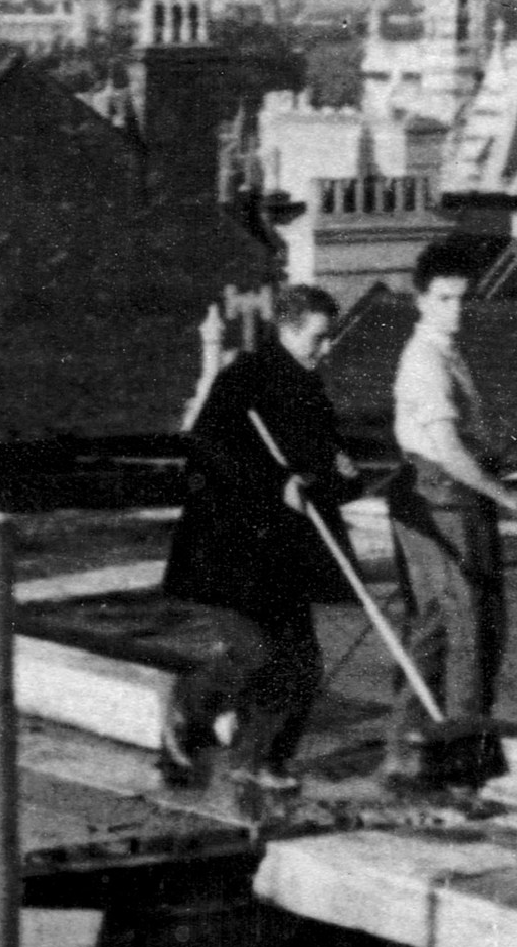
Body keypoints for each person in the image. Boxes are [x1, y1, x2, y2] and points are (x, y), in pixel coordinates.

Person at [161, 284, 361, 810]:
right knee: (260, 656)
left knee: (303, 664)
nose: (325, 348)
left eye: (329, 338)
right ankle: (191, 701)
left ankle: (262, 760)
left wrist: (339, 473)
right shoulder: (244, 377)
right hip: (229, 548)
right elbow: (208, 448)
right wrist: (278, 483)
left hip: (283, 554)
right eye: (318, 337)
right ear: (288, 329)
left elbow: (320, 461)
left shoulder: (310, 386)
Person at [381, 239, 517, 790]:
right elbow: (445, 448)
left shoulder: (447, 350)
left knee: (452, 622)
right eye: (444, 299)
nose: (456, 309)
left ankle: (415, 750)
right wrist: (503, 494)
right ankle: (450, 756)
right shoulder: (424, 360)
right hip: (440, 497)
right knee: (466, 621)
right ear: (421, 300)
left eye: (463, 298)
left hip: (452, 494)